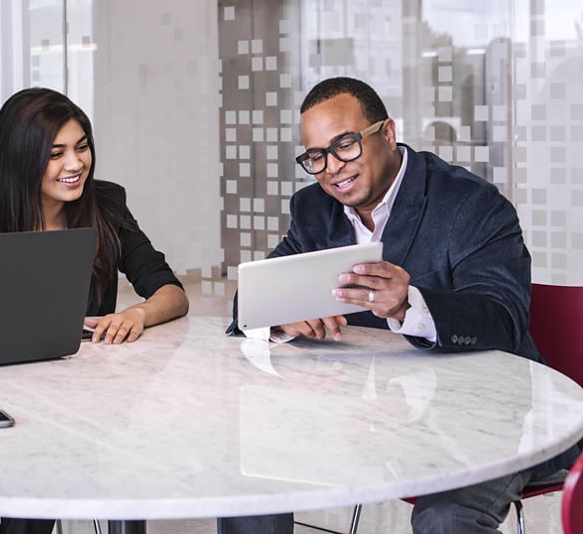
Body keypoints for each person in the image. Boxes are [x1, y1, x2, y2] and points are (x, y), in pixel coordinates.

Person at [220, 76, 578, 534]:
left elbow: (503, 317)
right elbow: (252, 297)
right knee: (249, 472)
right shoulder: (313, 208)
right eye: (316, 156)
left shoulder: (469, 204)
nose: (332, 167)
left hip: (480, 417)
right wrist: (276, 316)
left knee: (445, 518)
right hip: (355, 412)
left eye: (346, 145)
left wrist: (411, 305)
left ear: (387, 133)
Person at [0, 86, 189, 534]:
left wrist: (137, 314)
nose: (75, 164)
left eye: (82, 147)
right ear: (21, 158)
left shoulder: (105, 205)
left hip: (72, 402)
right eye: (56, 153)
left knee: (42, 460)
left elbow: (171, 290)